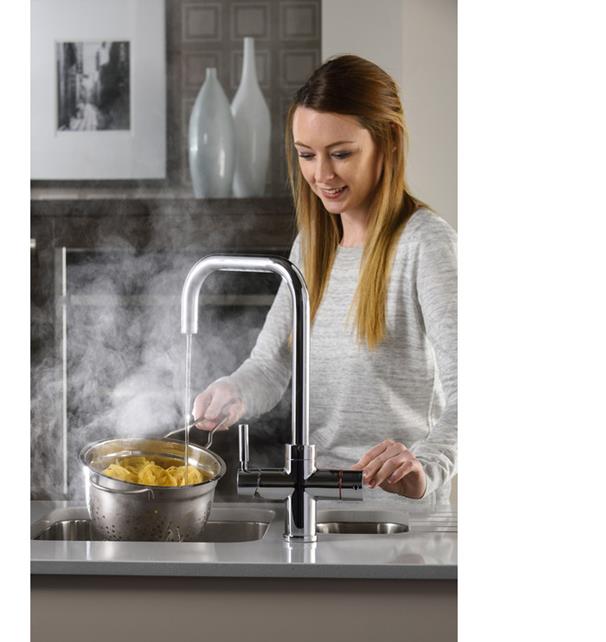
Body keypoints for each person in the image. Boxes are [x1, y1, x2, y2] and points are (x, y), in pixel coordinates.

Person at [192, 55, 457, 502]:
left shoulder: (425, 244)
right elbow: (270, 365)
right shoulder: (312, 246)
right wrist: (233, 391)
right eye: (306, 155)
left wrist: (426, 467)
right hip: (319, 503)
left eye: (341, 154)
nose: (322, 175)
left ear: (388, 143)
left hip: (399, 515)